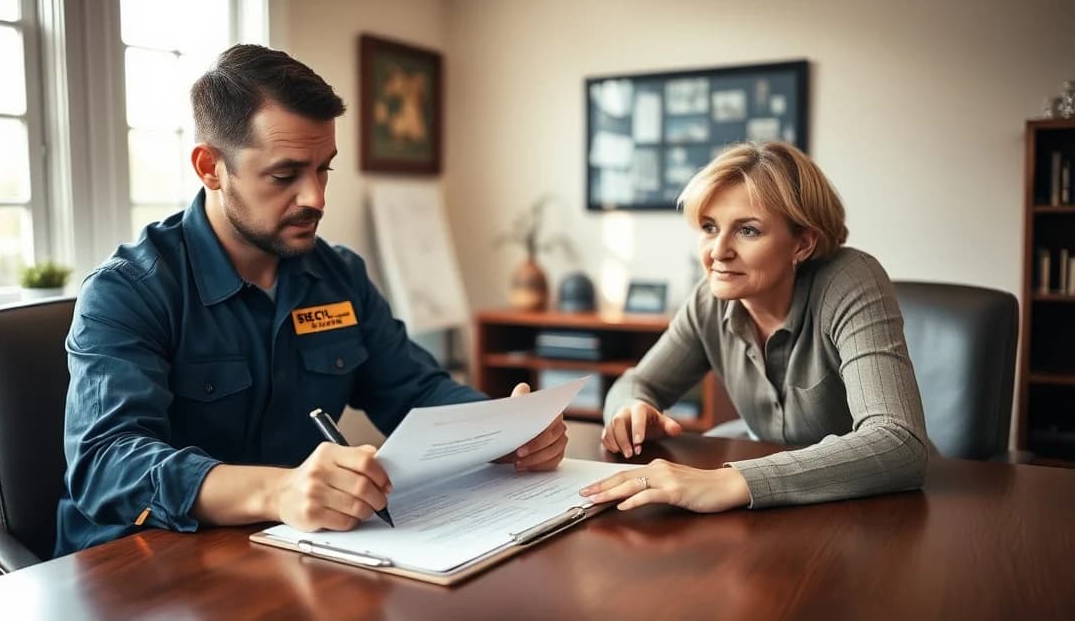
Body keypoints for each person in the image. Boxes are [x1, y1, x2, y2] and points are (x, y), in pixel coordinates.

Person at [56, 44, 567, 555]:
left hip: (287, 551)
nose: (316, 198)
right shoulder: (128, 290)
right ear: (210, 167)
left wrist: (504, 428)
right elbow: (105, 463)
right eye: (285, 176)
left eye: (324, 169)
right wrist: (279, 490)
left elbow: (415, 391)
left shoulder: (338, 274)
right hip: (142, 565)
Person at [580, 141, 928, 513]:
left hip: (872, 512)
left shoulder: (850, 281)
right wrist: (632, 407)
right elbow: (638, 382)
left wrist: (732, 480)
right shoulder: (709, 300)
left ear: (803, 243)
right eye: (710, 227)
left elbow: (898, 443)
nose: (717, 251)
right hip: (774, 512)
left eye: (747, 231)